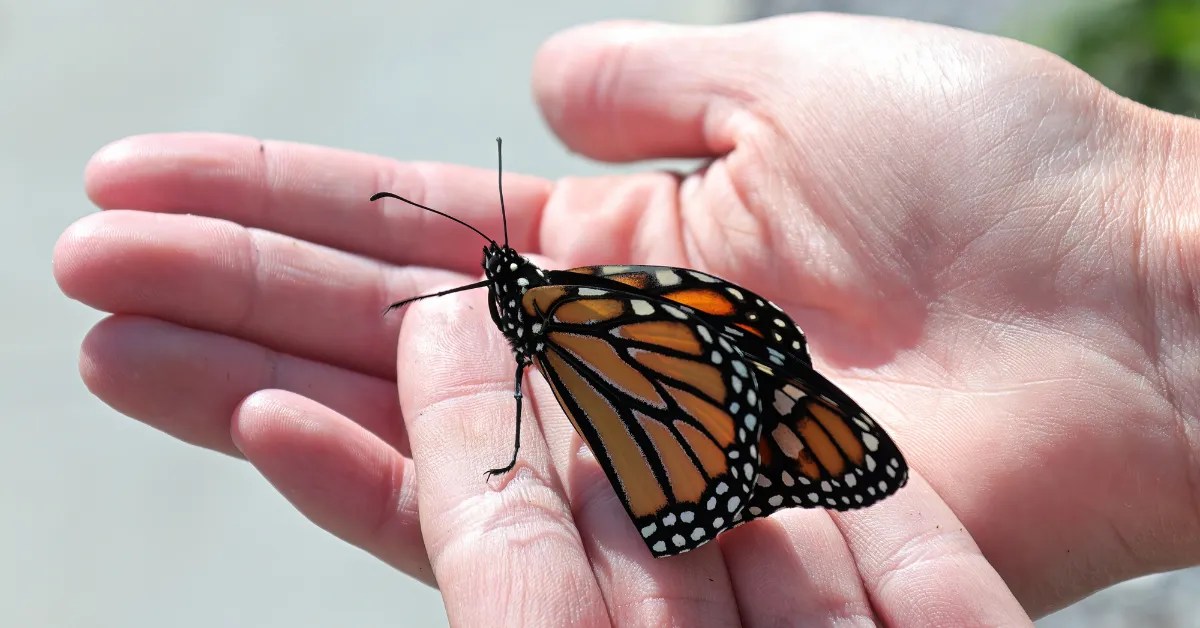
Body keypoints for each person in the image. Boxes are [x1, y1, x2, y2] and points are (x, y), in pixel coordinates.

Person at [53, 14, 1199, 626]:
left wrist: (1148, 259)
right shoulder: (562, 303)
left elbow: (701, 344)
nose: (501, 288)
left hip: (700, 451)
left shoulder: (570, 304)